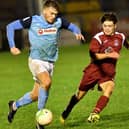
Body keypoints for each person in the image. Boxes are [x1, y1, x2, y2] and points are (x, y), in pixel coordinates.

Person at [6, 0, 85, 129]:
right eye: (51, 13)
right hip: (36, 60)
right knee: (47, 82)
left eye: (55, 14)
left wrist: (77, 32)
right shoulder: (33, 20)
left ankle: (14, 105)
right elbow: (10, 27)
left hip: (50, 62)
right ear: (44, 11)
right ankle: (39, 119)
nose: (53, 16)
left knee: (36, 95)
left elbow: (73, 27)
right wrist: (12, 46)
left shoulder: (59, 21)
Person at [60, 12, 129, 124]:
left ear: (115, 26)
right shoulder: (98, 38)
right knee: (79, 96)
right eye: (105, 26)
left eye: (110, 26)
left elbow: (126, 44)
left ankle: (94, 113)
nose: (107, 28)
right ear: (102, 26)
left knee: (109, 88)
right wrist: (109, 55)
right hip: (93, 72)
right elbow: (93, 55)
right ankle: (68, 109)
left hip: (107, 73)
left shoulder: (120, 37)